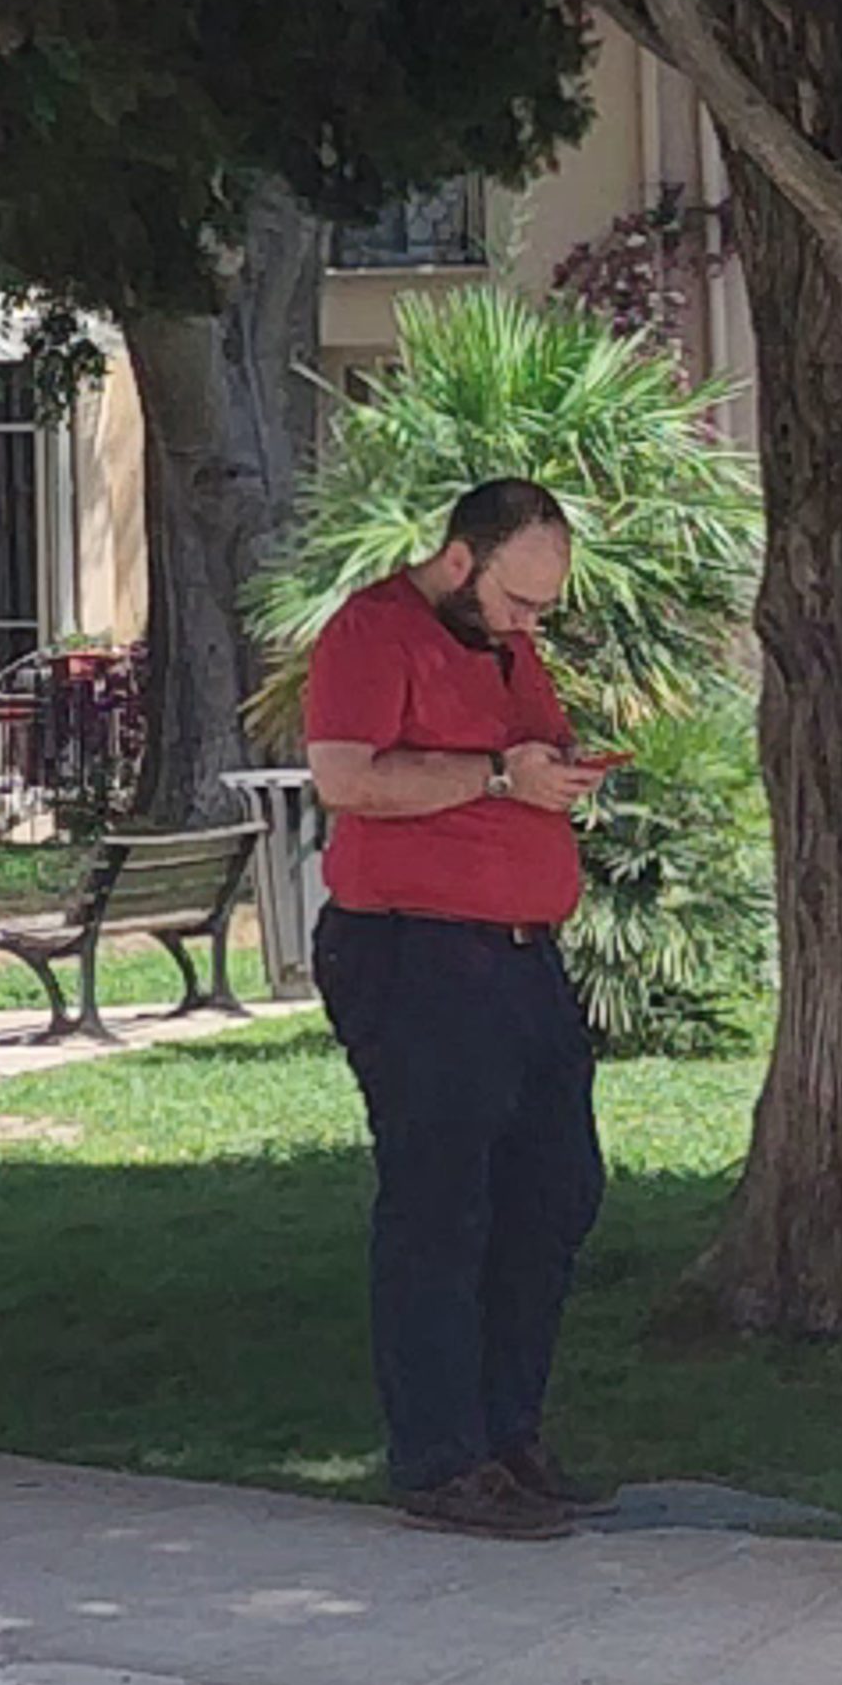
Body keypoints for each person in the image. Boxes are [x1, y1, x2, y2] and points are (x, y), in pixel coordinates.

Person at [303, 477, 609, 1537]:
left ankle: (507, 1429)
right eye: (520, 600)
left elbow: (524, 757)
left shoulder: (508, 645)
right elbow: (344, 777)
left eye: (544, 608)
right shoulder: (373, 631)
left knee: (557, 1185)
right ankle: (440, 1453)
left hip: (522, 953)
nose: (533, 624)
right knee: (441, 1197)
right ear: (461, 558)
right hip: (416, 951)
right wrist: (493, 781)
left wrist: (557, 775)